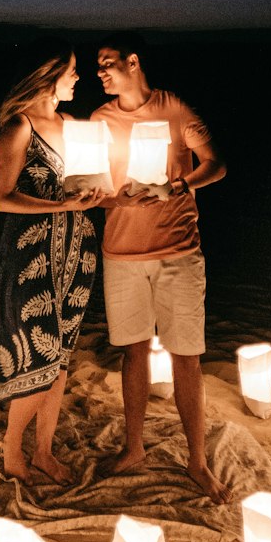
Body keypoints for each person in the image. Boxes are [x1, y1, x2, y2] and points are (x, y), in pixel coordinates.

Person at [0, 42, 105, 483]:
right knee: (42, 349)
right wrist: (62, 206)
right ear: (48, 74)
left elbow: (88, 187)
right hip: (31, 254)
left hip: (78, 251)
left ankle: (44, 453)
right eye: (72, 71)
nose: (78, 79)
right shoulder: (20, 128)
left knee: (62, 357)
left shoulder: (74, 125)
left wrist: (105, 193)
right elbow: (1, 199)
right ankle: (13, 453)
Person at [92, 32, 231, 503]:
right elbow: (95, 185)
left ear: (133, 62)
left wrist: (174, 188)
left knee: (185, 358)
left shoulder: (175, 109)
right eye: (97, 67)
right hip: (121, 254)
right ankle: (134, 448)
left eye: (108, 63)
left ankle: (197, 461)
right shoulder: (99, 119)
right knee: (133, 354)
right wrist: (109, 194)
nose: (101, 72)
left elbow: (217, 165)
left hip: (178, 253)